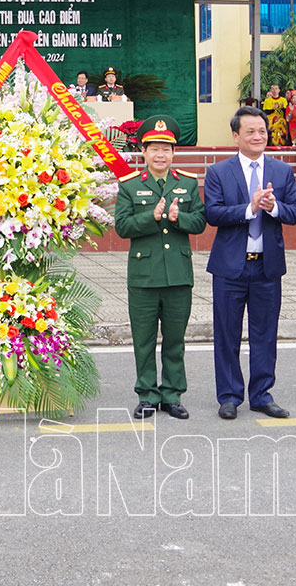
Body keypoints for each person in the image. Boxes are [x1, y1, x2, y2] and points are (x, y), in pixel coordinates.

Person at [204, 106, 296, 420]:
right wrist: (249, 208)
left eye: (262, 131)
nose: (258, 136)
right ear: (236, 136)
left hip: (267, 267)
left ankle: (262, 395)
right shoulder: (219, 172)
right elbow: (213, 214)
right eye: (250, 131)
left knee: (265, 334)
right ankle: (230, 396)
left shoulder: (282, 171)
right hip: (230, 267)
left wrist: (274, 208)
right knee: (227, 334)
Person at [114, 116, 205, 420]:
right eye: (154, 148)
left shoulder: (188, 184)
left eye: (166, 149)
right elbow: (122, 227)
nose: (160, 155)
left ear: (174, 152)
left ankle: (172, 394)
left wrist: (181, 219)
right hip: (143, 276)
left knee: (175, 339)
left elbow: (201, 223)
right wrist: (149, 217)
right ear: (144, 151)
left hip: (178, 274)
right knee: (144, 339)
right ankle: (146, 395)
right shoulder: (129, 186)